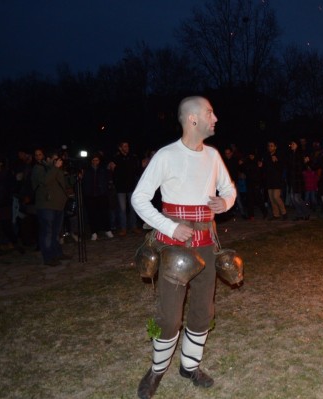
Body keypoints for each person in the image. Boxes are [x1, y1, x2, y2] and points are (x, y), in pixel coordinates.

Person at [132, 96, 236, 399]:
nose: (215, 118)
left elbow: (229, 189)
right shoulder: (166, 155)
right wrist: (170, 226)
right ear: (192, 119)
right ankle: (156, 371)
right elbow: (139, 198)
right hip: (173, 246)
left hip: (207, 244)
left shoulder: (214, 156)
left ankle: (189, 366)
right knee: (169, 316)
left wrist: (224, 201)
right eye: (209, 113)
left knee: (203, 311)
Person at [31, 149, 73, 266]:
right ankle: (48, 257)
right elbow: (44, 181)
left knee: (56, 232)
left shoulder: (55, 170)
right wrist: (55, 168)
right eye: (55, 159)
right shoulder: (38, 168)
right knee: (47, 232)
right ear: (48, 159)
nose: (57, 162)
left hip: (58, 205)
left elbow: (64, 183)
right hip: (46, 206)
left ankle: (57, 253)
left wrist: (75, 177)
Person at [110, 141, 141, 236]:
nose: (127, 147)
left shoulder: (132, 157)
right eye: (124, 146)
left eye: (127, 145)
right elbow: (113, 173)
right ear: (120, 148)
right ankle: (123, 228)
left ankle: (134, 226)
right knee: (122, 209)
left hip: (131, 187)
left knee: (133, 208)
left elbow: (136, 170)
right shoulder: (116, 158)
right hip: (121, 188)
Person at [81, 154, 114, 240]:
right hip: (90, 196)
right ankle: (94, 232)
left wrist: (106, 190)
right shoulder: (87, 170)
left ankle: (107, 230)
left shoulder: (103, 169)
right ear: (91, 161)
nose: (95, 162)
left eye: (97, 160)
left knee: (104, 213)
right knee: (92, 214)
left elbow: (107, 180)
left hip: (101, 194)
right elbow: (84, 183)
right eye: (94, 160)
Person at [261, 140, 287, 220]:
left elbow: (281, 167)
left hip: (277, 180)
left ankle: (284, 213)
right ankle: (276, 215)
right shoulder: (266, 156)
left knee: (276, 197)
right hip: (269, 180)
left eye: (272, 145)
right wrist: (261, 165)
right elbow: (265, 168)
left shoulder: (279, 155)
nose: (270, 147)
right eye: (269, 146)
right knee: (272, 199)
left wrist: (276, 161)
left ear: (275, 147)